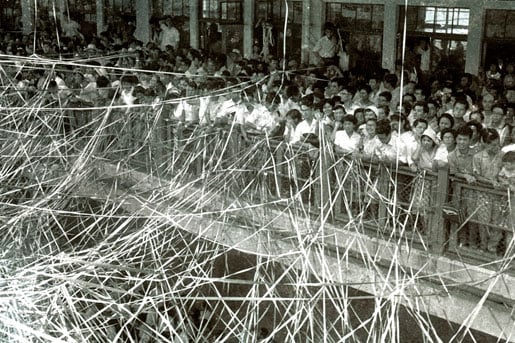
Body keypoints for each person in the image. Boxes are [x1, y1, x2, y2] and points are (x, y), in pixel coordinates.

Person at [473, 129, 504, 254]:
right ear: (485, 144)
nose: (496, 147)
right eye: (492, 144)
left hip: (498, 195)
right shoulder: (478, 157)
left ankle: (493, 248)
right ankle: (483, 245)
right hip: (483, 193)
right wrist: (491, 182)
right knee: (483, 220)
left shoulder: (502, 156)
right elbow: (477, 175)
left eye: (497, 144)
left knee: (497, 221)